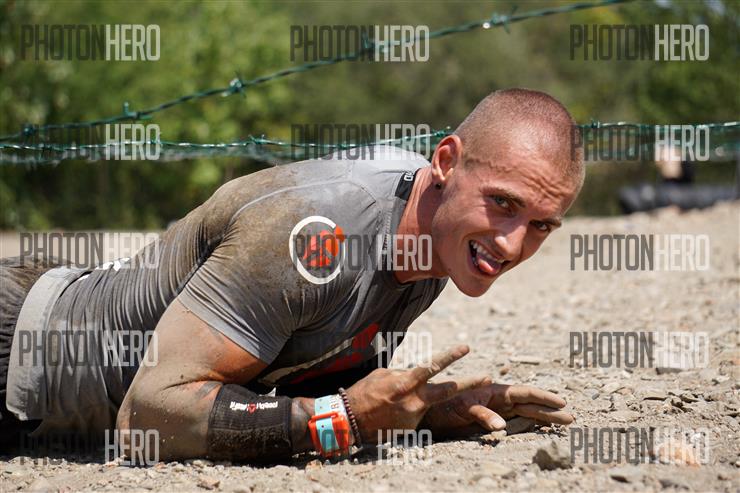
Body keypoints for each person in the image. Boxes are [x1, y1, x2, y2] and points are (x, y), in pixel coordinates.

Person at [0, 88, 583, 462]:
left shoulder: (437, 240)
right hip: (19, 352)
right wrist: (343, 423)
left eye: (541, 225)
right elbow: (150, 413)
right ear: (447, 162)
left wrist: (427, 410)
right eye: (502, 203)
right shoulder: (318, 234)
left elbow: (313, 386)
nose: (512, 244)